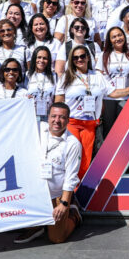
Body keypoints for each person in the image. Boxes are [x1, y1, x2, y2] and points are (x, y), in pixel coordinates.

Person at [56, 45, 129, 178]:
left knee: (85, 160)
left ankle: (78, 192)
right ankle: (67, 191)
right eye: (75, 58)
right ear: (71, 60)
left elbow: (113, 93)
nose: (79, 59)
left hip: (90, 124)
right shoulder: (66, 76)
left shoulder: (97, 76)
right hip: (72, 123)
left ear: (88, 58)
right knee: (72, 157)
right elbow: (59, 101)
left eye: (82, 56)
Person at [13, 102, 83, 245]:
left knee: (57, 238)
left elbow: (71, 177)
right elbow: (13, 119)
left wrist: (64, 203)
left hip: (56, 196)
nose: (57, 121)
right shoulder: (37, 128)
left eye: (62, 117)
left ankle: (74, 214)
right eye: (53, 116)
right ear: (47, 117)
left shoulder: (73, 144)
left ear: (68, 120)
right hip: (34, 194)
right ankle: (36, 227)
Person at [98, 27, 129, 145]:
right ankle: (107, 160)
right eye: (114, 37)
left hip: (125, 98)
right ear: (110, 40)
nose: (118, 38)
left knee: (123, 132)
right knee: (109, 130)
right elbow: (99, 77)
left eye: (120, 35)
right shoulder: (103, 55)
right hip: (108, 98)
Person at [25, 45, 58, 121]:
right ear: (34, 59)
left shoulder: (54, 76)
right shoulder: (26, 76)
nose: (42, 60)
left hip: (48, 117)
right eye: (39, 57)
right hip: (30, 116)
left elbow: (57, 99)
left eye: (45, 58)